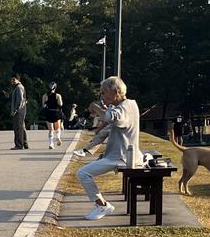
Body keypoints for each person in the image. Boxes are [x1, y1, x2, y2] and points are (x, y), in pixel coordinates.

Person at [72, 76, 141, 220]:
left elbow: (113, 118)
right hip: (123, 154)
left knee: (83, 173)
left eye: (104, 92)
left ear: (116, 92)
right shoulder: (131, 104)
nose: (101, 96)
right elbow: (112, 117)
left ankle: (102, 206)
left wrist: (94, 107)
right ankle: (101, 205)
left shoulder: (125, 108)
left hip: (120, 157)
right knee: (85, 171)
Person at [42, 81, 65, 148]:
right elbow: (60, 104)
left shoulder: (45, 95)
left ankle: (51, 144)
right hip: (56, 112)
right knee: (57, 128)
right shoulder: (58, 95)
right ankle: (58, 137)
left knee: (50, 129)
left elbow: (43, 105)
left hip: (49, 113)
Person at [10, 74, 28, 150]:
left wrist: (15, 110)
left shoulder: (19, 87)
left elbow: (20, 100)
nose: (12, 81)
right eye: (11, 80)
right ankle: (24, 143)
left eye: (14, 79)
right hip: (21, 110)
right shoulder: (17, 88)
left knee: (18, 128)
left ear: (18, 79)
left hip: (19, 111)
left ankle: (19, 145)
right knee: (22, 127)